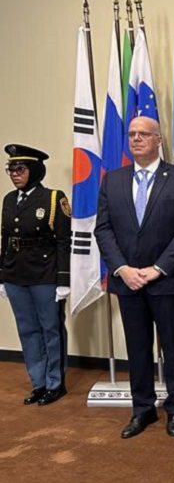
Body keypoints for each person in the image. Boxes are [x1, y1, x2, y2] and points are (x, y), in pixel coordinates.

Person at [95, 116, 174, 439]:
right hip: (127, 281)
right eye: (132, 134)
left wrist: (157, 269)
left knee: (172, 347)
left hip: (167, 281)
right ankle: (142, 410)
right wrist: (123, 269)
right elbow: (103, 229)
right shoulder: (112, 180)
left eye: (144, 134)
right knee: (137, 348)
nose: (136, 139)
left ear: (158, 140)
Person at [0, 144, 70, 406]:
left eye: (20, 169)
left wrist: (63, 280)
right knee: (27, 330)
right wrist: (1, 275)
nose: (14, 174)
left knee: (50, 329)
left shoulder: (54, 199)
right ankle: (38, 382)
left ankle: (55, 383)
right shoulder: (9, 200)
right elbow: (5, 238)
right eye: (10, 169)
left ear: (35, 170)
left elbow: (64, 242)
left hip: (45, 274)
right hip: (15, 274)